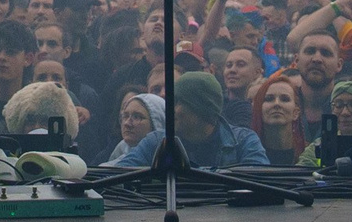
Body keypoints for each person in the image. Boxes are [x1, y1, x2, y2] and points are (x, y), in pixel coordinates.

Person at [112, 72, 267, 169]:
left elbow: (260, 180)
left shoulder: (243, 141)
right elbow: (119, 174)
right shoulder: (156, 142)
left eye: (178, 102)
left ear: (201, 108)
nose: (170, 109)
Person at [253, 72, 308, 165]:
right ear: (259, 108)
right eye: (269, 99)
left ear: (296, 112)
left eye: (285, 99)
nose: (277, 104)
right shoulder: (246, 152)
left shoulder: (309, 153)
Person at [104, 92, 164, 166]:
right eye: (125, 116)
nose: (127, 123)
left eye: (137, 117)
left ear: (157, 122)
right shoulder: (120, 148)